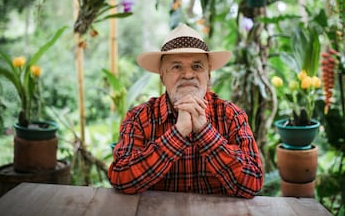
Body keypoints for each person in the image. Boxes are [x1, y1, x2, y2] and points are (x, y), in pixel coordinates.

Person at [108, 23, 263, 198]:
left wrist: (205, 133)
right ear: (162, 76)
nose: (188, 75)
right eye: (176, 67)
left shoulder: (231, 115)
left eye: (197, 66)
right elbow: (120, 177)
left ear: (208, 74)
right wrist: (177, 133)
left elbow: (253, 182)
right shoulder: (138, 118)